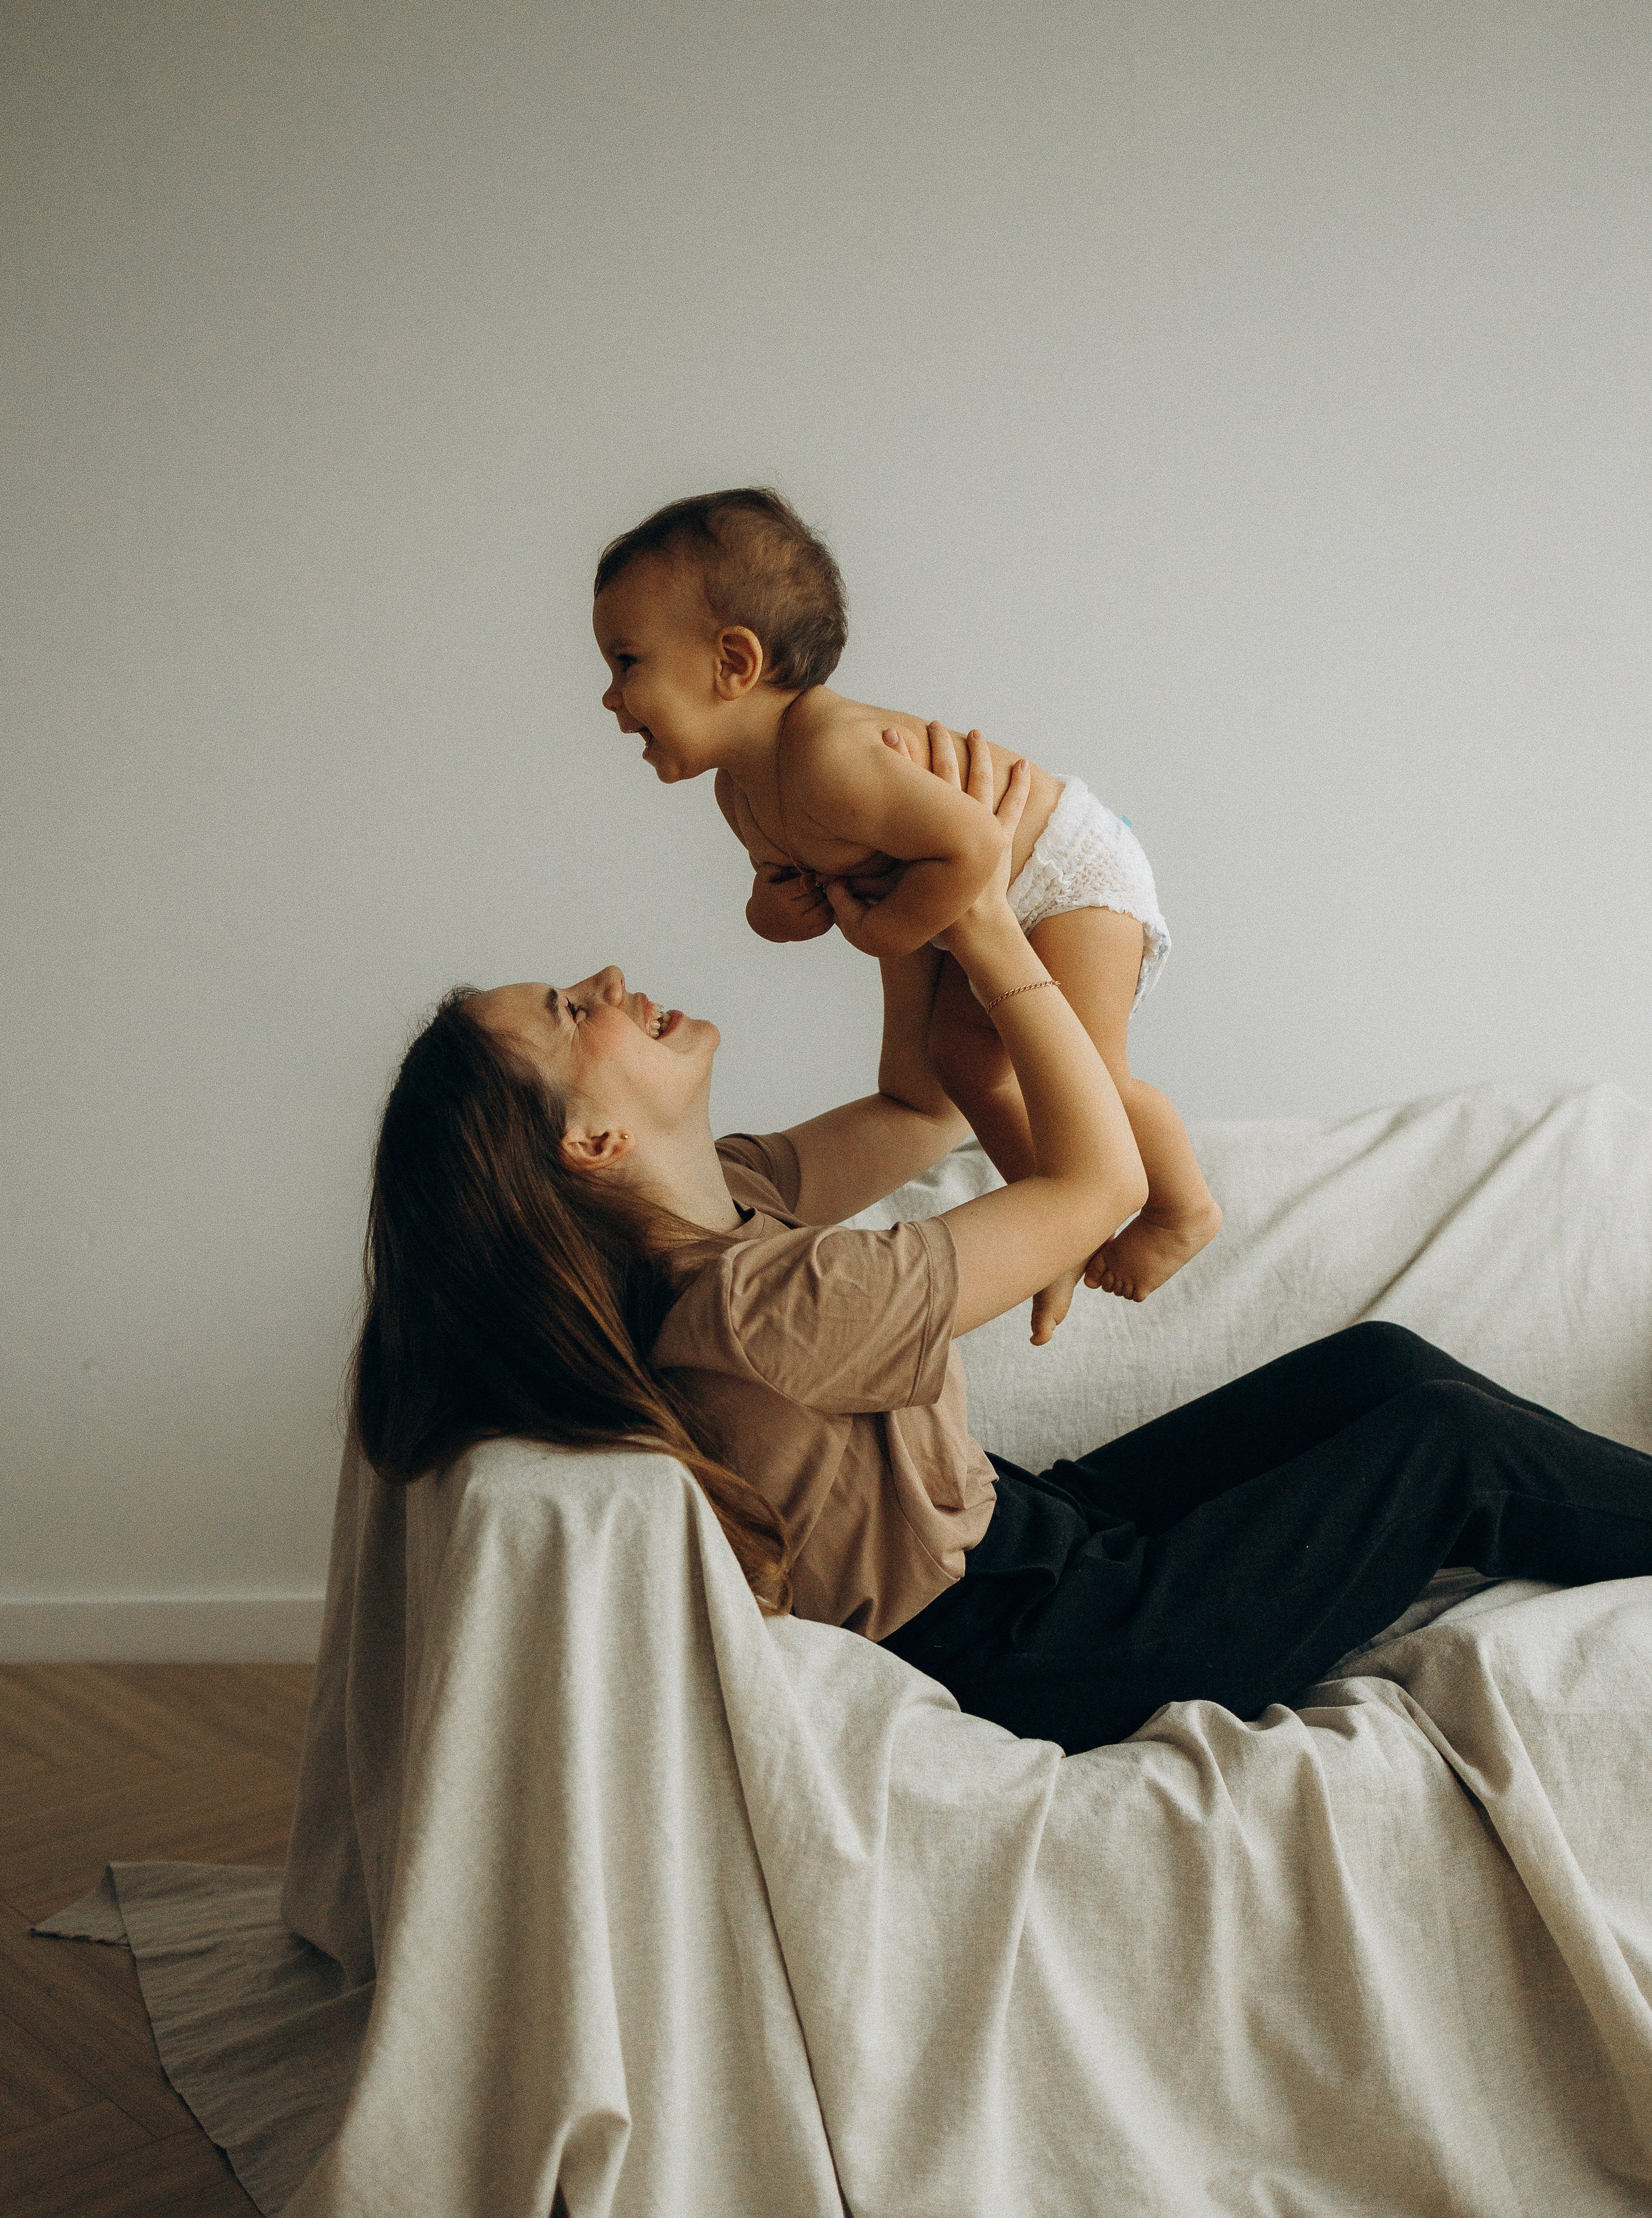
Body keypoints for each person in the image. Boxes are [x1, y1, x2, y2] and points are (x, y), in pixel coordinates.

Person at [354, 733, 1652, 1756]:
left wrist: (893, 892)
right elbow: (1099, 1185)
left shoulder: (726, 1203)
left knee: (1382, 1369)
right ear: (589, 1143)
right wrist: (979, 921)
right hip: (1047, 1654)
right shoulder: (769, 1303)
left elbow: (919, 1106)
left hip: (1032, 1533)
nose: (606, 978)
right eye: (570, 1012)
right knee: (1446, 1446)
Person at [591, 485, 1220, 1334]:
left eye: (627, 662)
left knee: (1094, 1078)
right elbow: (780, 906)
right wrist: (776, 908)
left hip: (1065, 867)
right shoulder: (740, 794)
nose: (610, 697)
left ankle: (1181, 1208)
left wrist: (882, 930)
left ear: (733, 663)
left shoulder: (829, 755)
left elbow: (977, 847)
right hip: (983, 902)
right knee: (963, 1063)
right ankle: (1059, 1227)